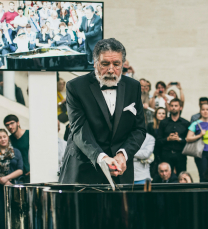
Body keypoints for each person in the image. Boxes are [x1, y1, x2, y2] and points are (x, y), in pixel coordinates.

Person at [58, 38, 146, 184]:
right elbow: (79, 129)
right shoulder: (76, 87)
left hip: (120, 172)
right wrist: (102, 158)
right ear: (95, 63)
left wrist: (123, 154)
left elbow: (139, 129)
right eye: (105, 64)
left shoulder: (133, 87)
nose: (111, 69)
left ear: (122, 64)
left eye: (116, 64)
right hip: (84, 170)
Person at [0, 129, 23, 229]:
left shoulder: (16, 152)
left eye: (4, 136)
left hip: (14, 186)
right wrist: (1, 180)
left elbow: (20, 170)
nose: (2, 139)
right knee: (1, 216)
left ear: (8, 138)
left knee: (16, 215)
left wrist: (7, 178)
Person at [186, 103, 208, 182]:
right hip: (200, 153)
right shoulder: (195, 123)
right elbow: (188, 138)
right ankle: (204, 194)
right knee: (203, 176)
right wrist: (199, 135)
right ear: (200, 111)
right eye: (203, 109)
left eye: (207, 109)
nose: (205, 111)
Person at [157, 99, 190, 175]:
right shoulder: (163, 122)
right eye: (172, 106)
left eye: (176, 106)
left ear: (180, 107)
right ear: (169, 107)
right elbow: (158, 140)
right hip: (166, 154)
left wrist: (179, 139)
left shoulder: (186, 123)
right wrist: (167, 139)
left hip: (180, 154)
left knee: (181, 176)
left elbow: (188, 141)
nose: (173, 107)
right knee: (166, 177)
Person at [4, 115, 30, 184]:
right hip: (17, 177)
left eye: (12, 123)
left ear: (18, 123)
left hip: (31, 174)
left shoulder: (29, 134)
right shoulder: (8, 140)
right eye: (7, 125)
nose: (10, 127)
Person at [147, 107, 166, 178]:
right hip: (153, 152)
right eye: (159, 113)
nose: (161, 115)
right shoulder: (150, 126)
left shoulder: (168, 126)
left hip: (164, 151)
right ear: (156, 115)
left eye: (163, 113)